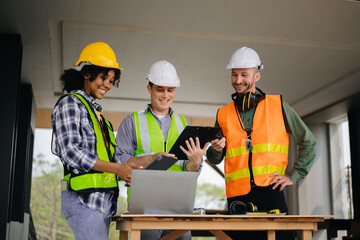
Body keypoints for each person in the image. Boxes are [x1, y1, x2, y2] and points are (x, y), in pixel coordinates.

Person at [206, 47, 317, 240]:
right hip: (237, 198)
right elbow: (214, 158)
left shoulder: (279, 106)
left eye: (244, 75)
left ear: (256, 76)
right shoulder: (223, 114)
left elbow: (309, 142)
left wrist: (294, 175)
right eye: (234, 74)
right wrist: (215, 150)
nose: (238, 80)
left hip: (271, 192)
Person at [51, 42, 139, 240]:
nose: (107, 84)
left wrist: (145, 160)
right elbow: (71, 152)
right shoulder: (71, 104)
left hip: (101, 202)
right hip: (84, 200)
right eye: (103, 78)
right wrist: (118, 170)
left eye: (111, 80)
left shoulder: (97, 115)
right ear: (86, 74)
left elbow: (112, 158)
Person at [115, 60, 209, 240]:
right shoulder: (131, 122)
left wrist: (195, 164)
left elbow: (189, 169)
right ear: (149, 88)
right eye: (160, 89)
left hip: (179, 209)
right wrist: (150, 158)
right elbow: (119, 161)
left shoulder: (185, 124)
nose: (166, 95)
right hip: (144, 209)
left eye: (170, 89)